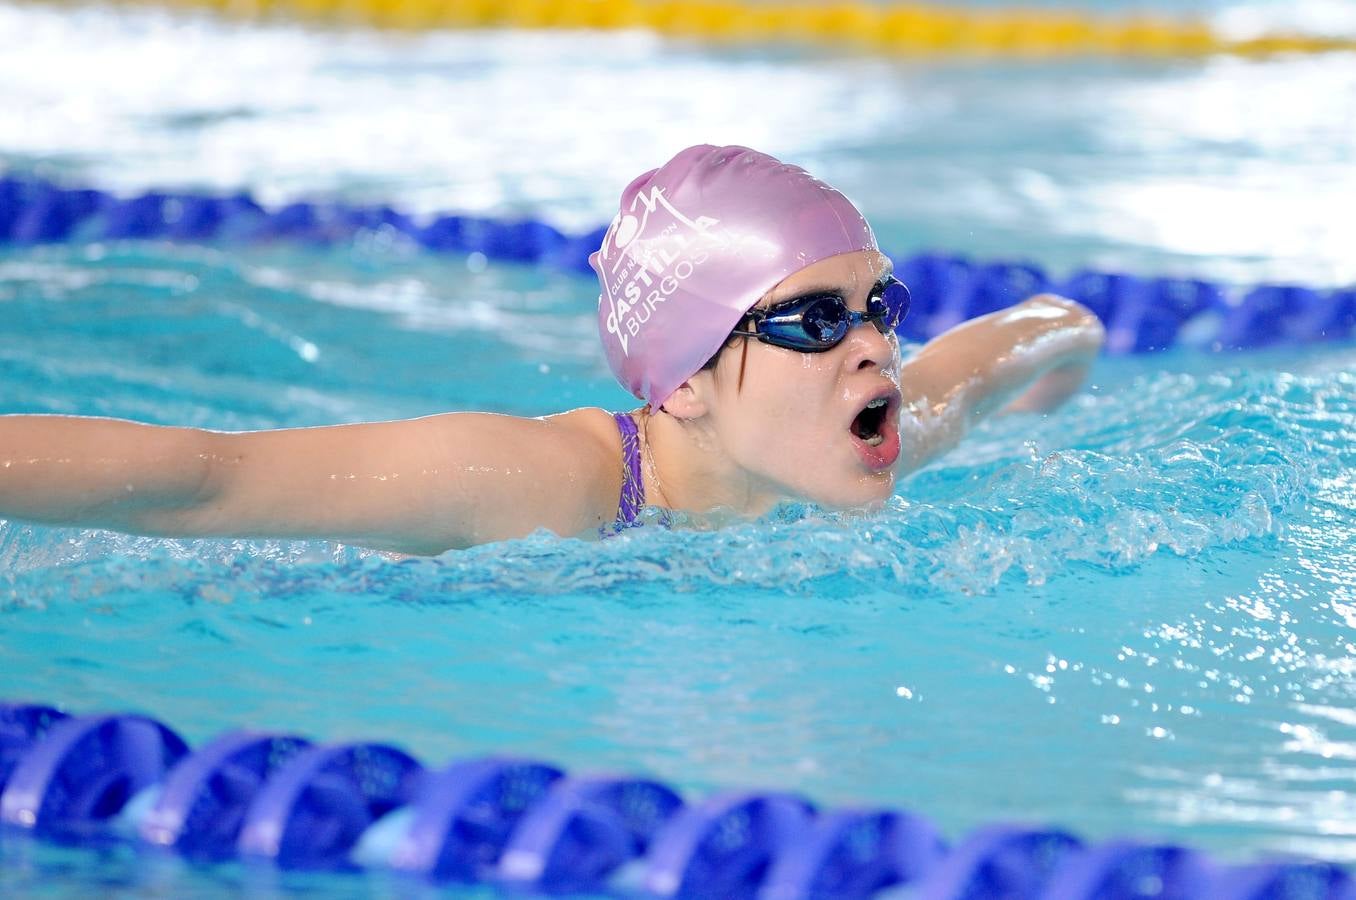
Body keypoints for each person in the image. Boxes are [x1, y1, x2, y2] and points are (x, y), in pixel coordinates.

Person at [0, 145, 1104, 555]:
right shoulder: (538, 486)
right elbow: (205, 482)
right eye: (816, 320)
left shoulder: (867, 435)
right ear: (680, 384)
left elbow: (1037, 333)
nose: (875, 349)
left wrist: (1061, 389)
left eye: (882, 305)